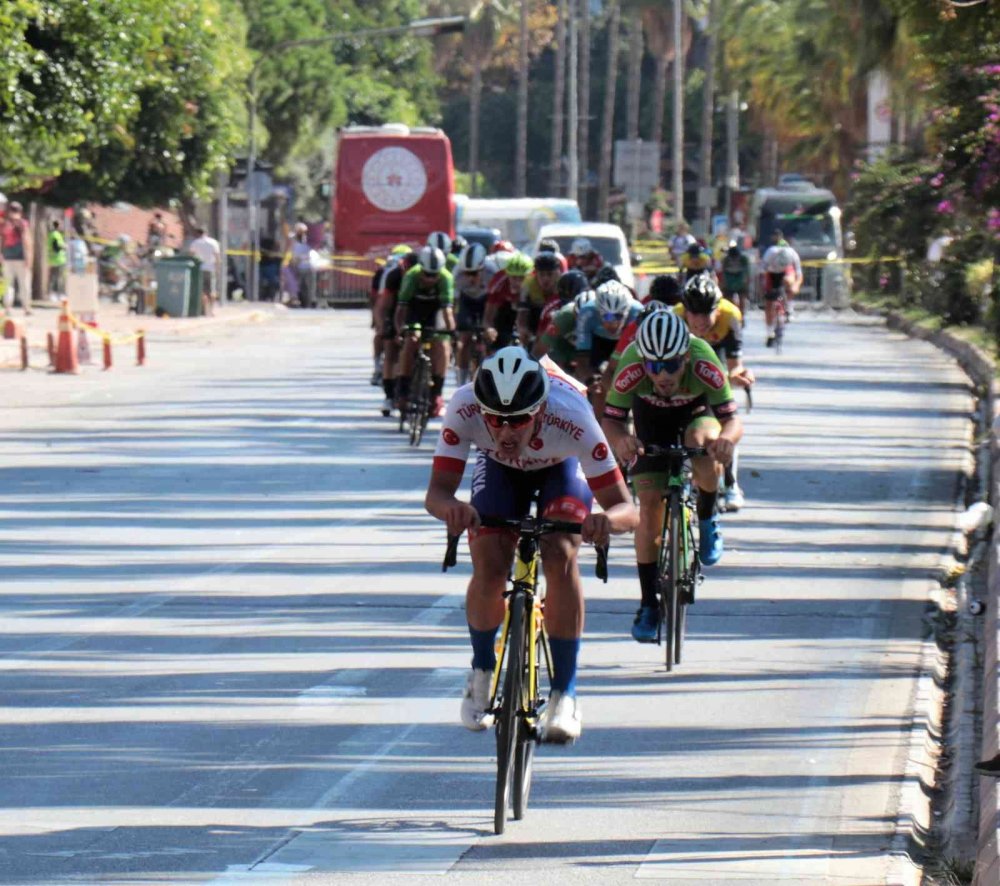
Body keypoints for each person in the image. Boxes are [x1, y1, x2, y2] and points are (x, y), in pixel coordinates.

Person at [425, 346, 638, 741]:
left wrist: (605, 521)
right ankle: (482, 669)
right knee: (489, 561)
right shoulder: (464, 405)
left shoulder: (572, 415)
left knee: (560, 551)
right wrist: (451, 509)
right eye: (496, 420)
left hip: (561, 467)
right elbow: (437, 494)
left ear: (540, 410)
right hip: (499, 473)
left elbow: (627, 507)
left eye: (519, 421)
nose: (506, 433)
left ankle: (565, 694)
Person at [601, 310, 743, 643]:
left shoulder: (704, 360)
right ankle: (649, 603)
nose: (662, 375)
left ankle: (707, 519)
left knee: (701, 444)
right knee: (649, 506)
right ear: (644, 362)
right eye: (654, 367)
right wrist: (622, 440)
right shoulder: (632, 364)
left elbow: (733, 421)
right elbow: (611, 420)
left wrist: (726, 441)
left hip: (696, 413)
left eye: (670, 366)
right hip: (650, 419)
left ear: (686, 358)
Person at [674, 274, 754, 511]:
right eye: (693, 314)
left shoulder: (730, 318)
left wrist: (739, 375)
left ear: (717, 309)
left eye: (705, 314)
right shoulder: (674, 317)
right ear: (685, 311)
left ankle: (730, 484)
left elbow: (733, 364)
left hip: (715, 356)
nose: (699, 322)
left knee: (722, 418)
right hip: (684, 359)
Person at [394, 246, 455, 418]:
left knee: (442, 346)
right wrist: (400, 331)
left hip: (435, 311)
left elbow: (447, 312)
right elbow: (401, 310)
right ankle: (404, 391)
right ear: (420, 268)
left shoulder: (445, 278)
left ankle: (436, 394)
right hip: (415, 310)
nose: (430, 278)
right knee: (411, 341)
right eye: (427, 274)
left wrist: (451, 332)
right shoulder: (411, 276)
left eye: (434, 274)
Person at [374, 249, 419, 415]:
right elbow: (383, 305)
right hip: (395, 312)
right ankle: (389, 395)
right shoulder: (394, 276)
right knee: (391, 351)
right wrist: (382, 326)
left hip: (417, 313)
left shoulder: (422, 276)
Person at [573, 279, 642, 384]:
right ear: (598, 311)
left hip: (626, 341)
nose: (613, 323)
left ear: (628, 311)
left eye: (619, 316)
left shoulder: (638, 313)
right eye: (607, 316)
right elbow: (582, 360)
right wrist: (591, 381)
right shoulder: (587, 313)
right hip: (599, 342)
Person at [453, 242, 490, 386]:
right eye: (466, 273)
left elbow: (495, 304)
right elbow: (454, 303)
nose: (470, 278)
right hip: (467, 301)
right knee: (465, 338)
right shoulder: (456, 273)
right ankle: (461, 381)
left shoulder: (491, 272)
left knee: (489, 337)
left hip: (486, 301)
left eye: (474, 273)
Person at [759, 230, 803, 346]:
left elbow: (799, 274)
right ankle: (769, 333)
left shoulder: (792, 253)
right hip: (771, 274)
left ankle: (789, 307)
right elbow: (762, 272)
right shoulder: (770, 252)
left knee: (789, 280)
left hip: (785, 274)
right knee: (769, 305)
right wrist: (763, 290)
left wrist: (795, 287)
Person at [483, 251, 532, 349]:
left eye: (522, 278)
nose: (517, 282)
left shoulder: (535, 284)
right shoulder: (498, 283)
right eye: (514, 277)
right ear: (507, 274)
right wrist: (489, 329)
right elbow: (488, 315)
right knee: (495, 340)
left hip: (529, 307)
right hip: (506, 307)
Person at [516, 252, 562, 345]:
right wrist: (523, 331)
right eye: (541, 274)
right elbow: (522, 315)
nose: (546, 279)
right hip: (536, 319)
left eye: (550, 274)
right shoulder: (528, 285)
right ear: (535, 273)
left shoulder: (563, 284)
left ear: (557, 273)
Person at [1, 201, 33, 315]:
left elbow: (2, 241)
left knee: (8, 283)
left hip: (7, 257)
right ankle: (26, 307)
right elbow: (26, 241)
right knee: (24, 283)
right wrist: (29, 257)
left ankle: (8, 307)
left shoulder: (5, 224)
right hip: (21, 257)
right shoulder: (23, 223)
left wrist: (1, 254)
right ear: (20, 211)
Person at [187, 226, 222, 316]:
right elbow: (217, 257)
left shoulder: (195, 243)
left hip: (199, 269)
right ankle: (212, 310)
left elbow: (191, 256)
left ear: (198, 234)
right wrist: (218, 268)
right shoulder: (213, 242)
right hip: (210, 269)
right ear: (206, 233)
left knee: (202, 291)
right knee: (212, 290)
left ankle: (204, 310)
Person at [720, 242, 751, 319]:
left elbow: (747, 272)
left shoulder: (744, 259)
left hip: (740, 279)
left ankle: (741, 315)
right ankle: (731, 314)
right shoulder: (726, 260)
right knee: (728, 300)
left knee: (742, 298)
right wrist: (723, 284)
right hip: (729, 280)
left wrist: (747, 283)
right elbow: (723, 272)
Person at [47, 219, 67, 301]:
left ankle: (51, 294)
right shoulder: (56, 235)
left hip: (52, 259)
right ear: (58, 226)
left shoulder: (51, 234)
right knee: (59, 278)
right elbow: (56, 247)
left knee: (52, 278)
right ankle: (58, 295)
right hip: (58, 259)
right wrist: (64, 246)